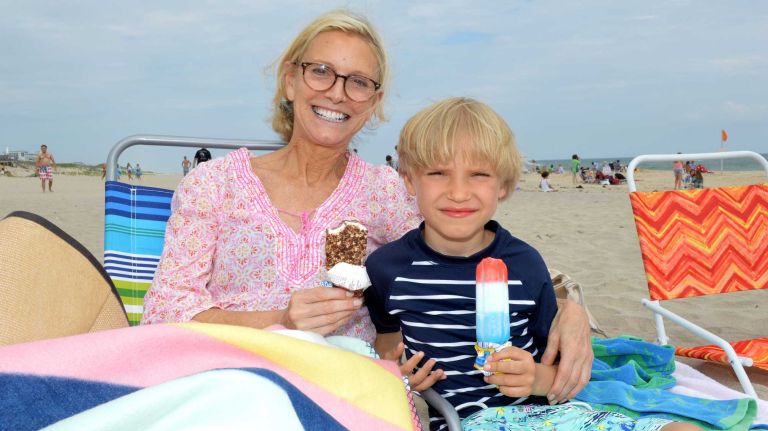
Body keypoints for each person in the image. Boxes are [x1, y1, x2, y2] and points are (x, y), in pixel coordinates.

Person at [141, 10, 592, 401]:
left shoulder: (387, 192)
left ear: (373, 102)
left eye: (358, 82)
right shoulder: (212, 184)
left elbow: (471, 252)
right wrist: (279, 321)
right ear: (290, 80)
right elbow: (163, 316)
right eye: (320, 71)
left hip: (351, 389)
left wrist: (569, 308)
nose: (337, 93)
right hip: (230, 377)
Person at [365, 97, 701, 431]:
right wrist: (397, 374)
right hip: (465, 423)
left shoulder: (524, 264)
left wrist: (534, 378)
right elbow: (385, 343)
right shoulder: (386, 268)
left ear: (504, 186)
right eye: (438, 173)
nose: (458, 192)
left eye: (479, 174)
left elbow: (557, 371)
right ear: (409, 180)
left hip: (550, 416)